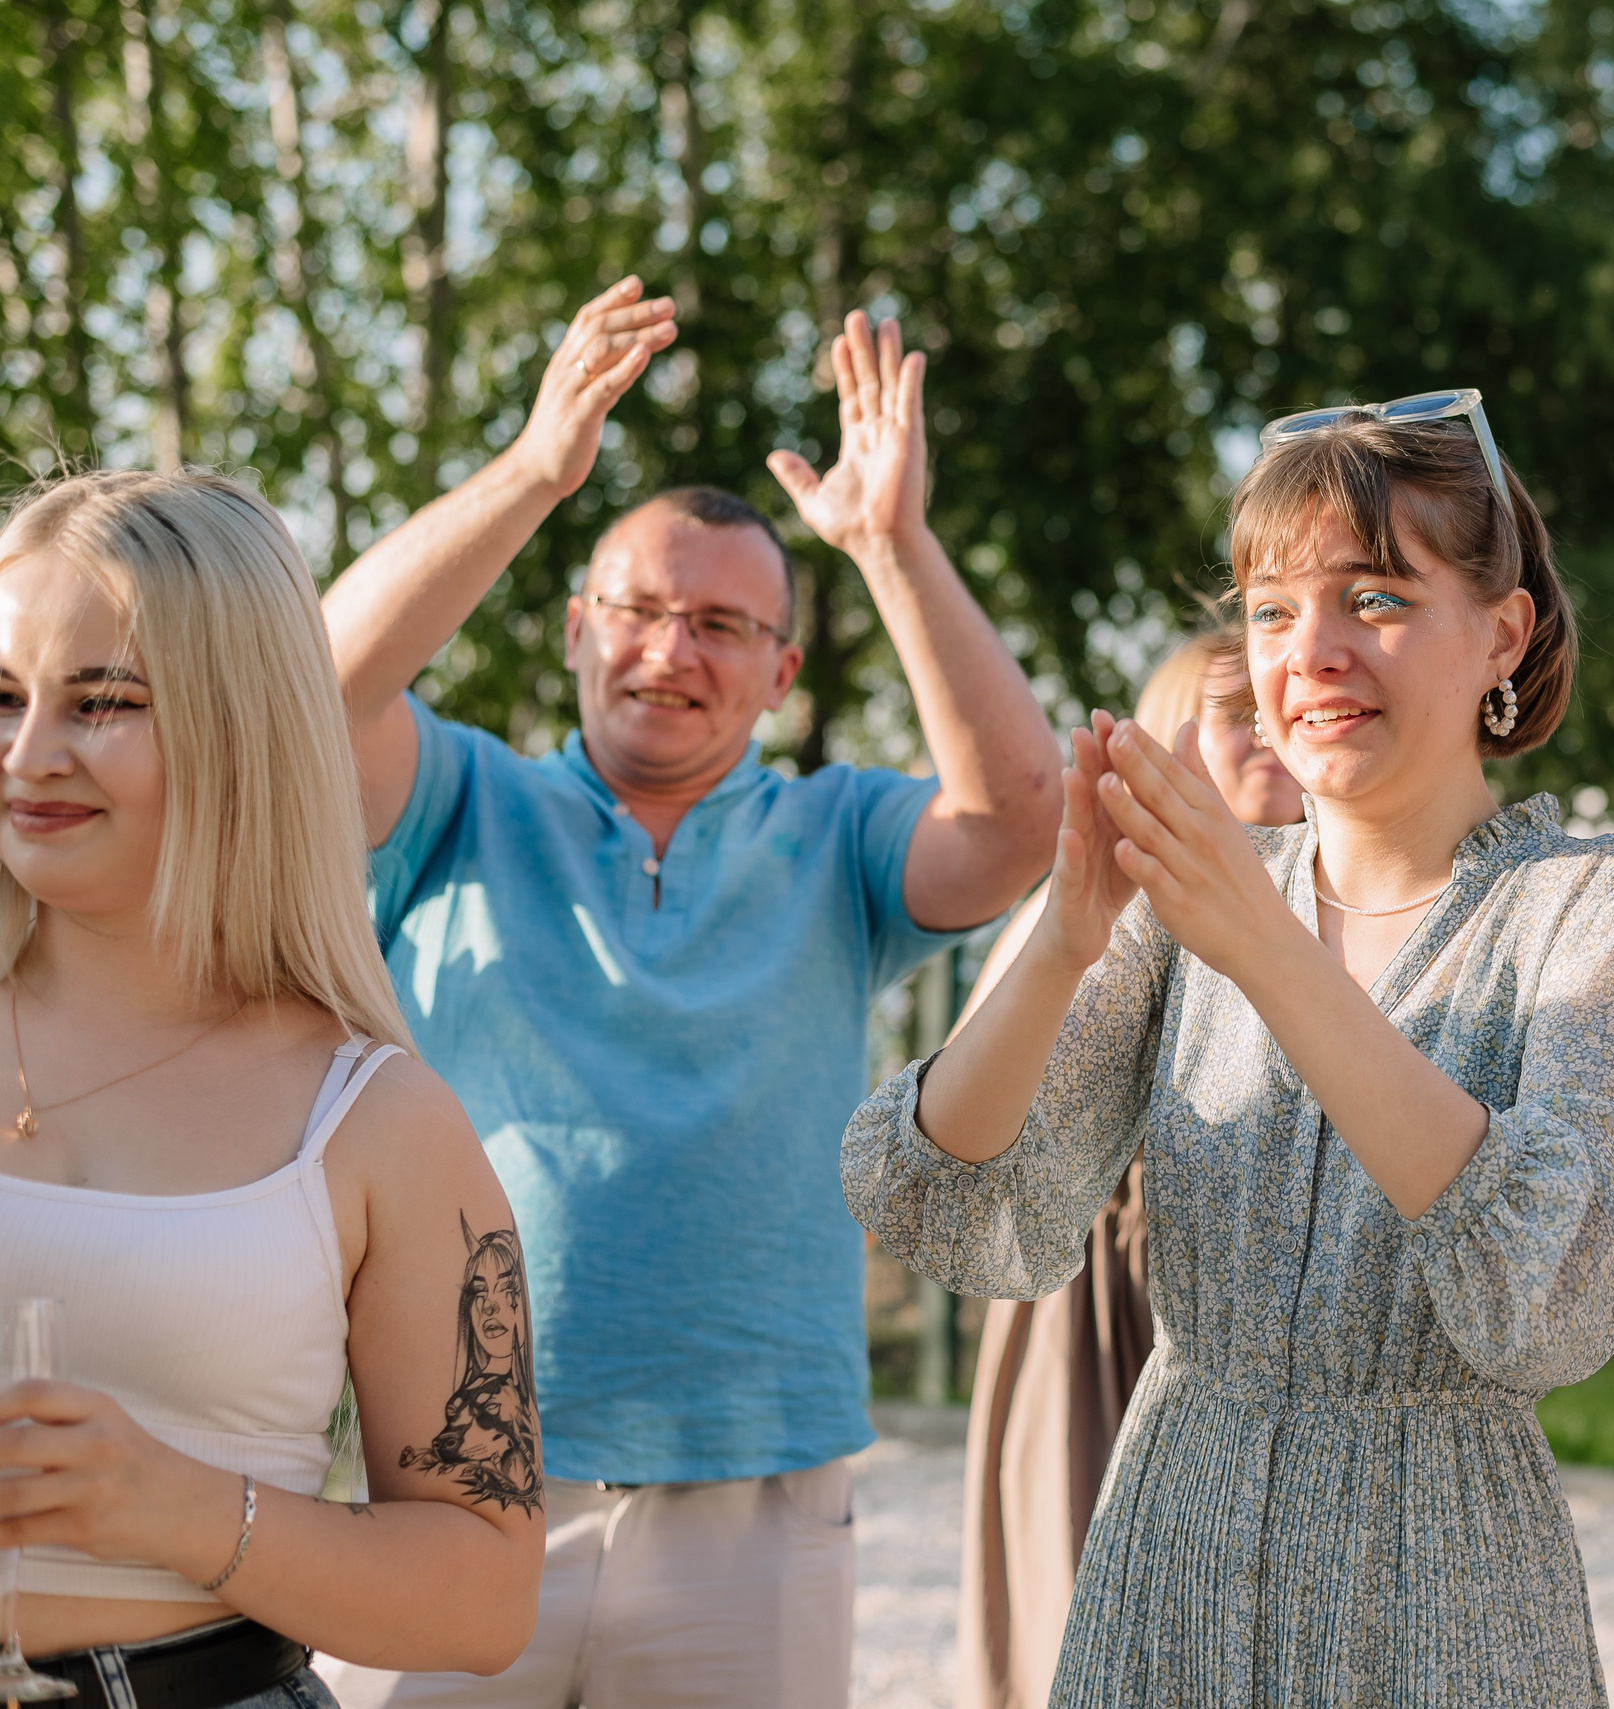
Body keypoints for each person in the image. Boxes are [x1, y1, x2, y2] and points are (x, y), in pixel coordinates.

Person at [845, 395, 1614, 1705]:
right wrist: (1060, 943)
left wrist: (1265, 946)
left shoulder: (1612, 912)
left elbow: (1547, 1299)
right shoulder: (1178, 897)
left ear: (1504, 632)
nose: (1307, 652)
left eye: (1373, 599)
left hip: (1447, 1598)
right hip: (1168, 1561)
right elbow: (954, 1204)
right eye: (1268, 609)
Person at [313, 282, 1062, 1709]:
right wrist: (539, 465)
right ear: (579, 629)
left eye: (722, 625)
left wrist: (893, 546)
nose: (673, 649)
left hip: (757, 1507)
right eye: (643, 611)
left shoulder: (836, 835)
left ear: (781, 672)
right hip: (458, 1479)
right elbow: (320, 677)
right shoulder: (460, 795)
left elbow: (1022, 817)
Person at [0, 470, 542, 1705]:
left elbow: (487, 1595)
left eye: (106, 701)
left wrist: (172, 1504)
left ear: (240, 725)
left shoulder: (374, 1118)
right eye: (3, 695)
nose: (31, 754)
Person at [957, 624, 1302, 1709]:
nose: (1265, 735)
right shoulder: (1095, 893)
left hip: (1283, 1330)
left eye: (1276, 708)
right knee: (1084, 1620)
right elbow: (966, 1117)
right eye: (1231, 712)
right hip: (1101, 1303)